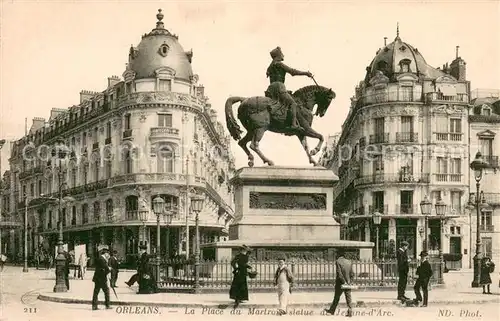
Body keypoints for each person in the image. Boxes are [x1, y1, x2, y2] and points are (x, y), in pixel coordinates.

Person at [265, 46, 313, 131]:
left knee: (282, 104)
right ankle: (294, 124)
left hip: (271, 89)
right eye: (282, 53)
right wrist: (306, 73)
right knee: (293, 103)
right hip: (279, 87)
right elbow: (292, 72)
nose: (283, 55)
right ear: (278, 55)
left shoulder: (270, 67)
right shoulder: (279, 64)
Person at [324, 249, 354, 317]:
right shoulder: (349, 262)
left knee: (336, 297)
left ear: (339, 255)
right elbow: (352, 273)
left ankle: (331, 311)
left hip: (340, 283)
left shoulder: (338, 261)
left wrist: (344, 282)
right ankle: (350, 311)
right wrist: (350, 282)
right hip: (348, 282)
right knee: (348, 297)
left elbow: (339, 273)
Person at [91, 245, 112, 310]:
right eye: (108, 254)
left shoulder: (101, 258)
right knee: (106, 291)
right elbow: (106, 268)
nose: (108, 255)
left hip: (98, 278)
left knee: (96, 292)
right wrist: (109, 269)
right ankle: (107, 305)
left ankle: (94, 306)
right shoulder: (102, 259)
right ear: (105, 253)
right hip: (101, 279)